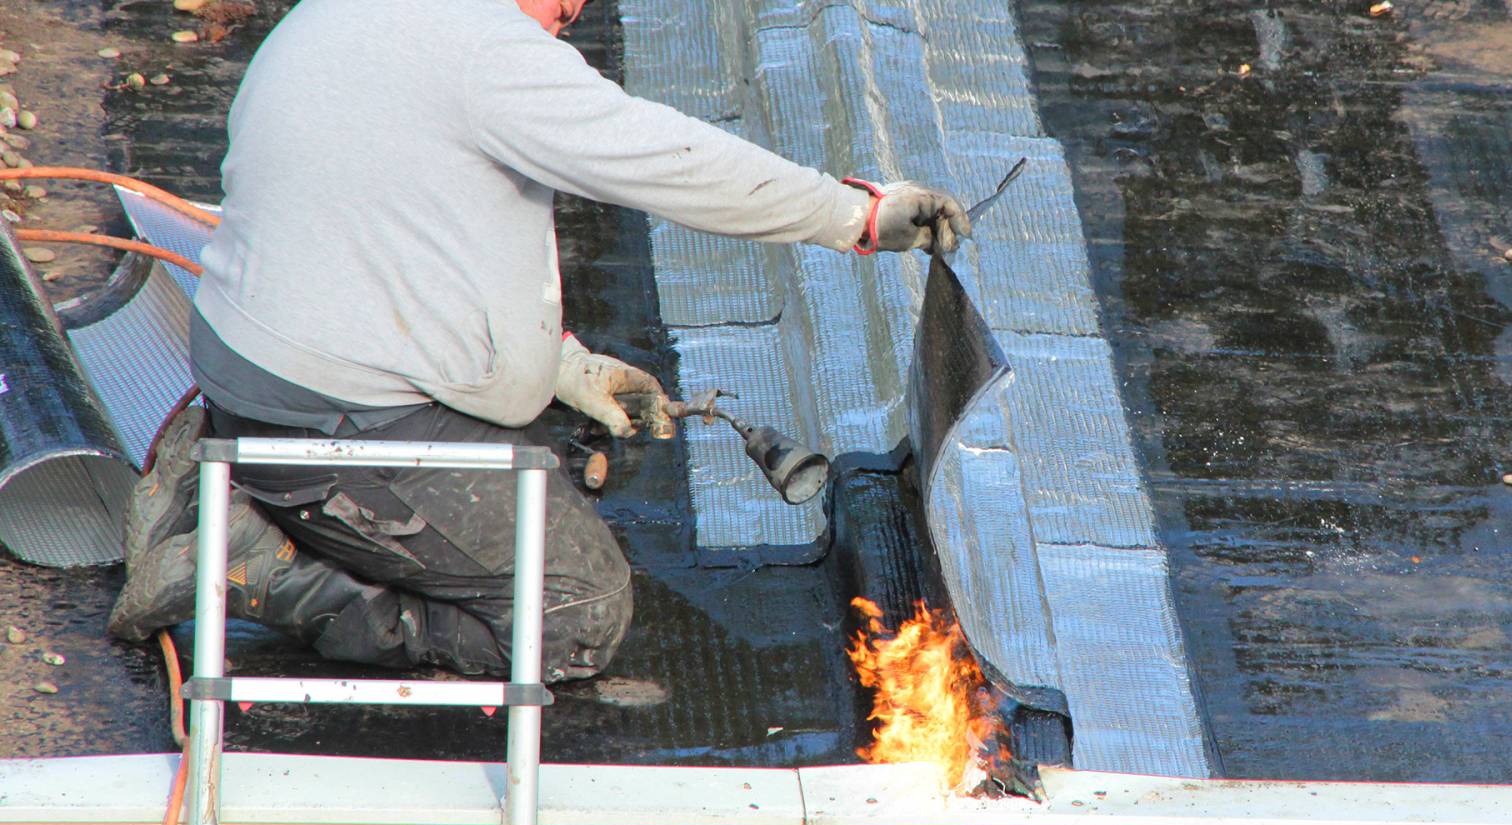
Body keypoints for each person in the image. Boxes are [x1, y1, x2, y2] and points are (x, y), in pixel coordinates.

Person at [107, 0, 971, 683]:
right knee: (576, 609)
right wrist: (855, 214)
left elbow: (394, 235)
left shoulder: (352, 15)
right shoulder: (486, 52)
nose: (576, 11)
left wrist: (559, 365)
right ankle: (250, 565)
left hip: (264, 381)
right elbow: (668, 160)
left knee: (537, 477)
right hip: (332, 424)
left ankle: (255, 494)